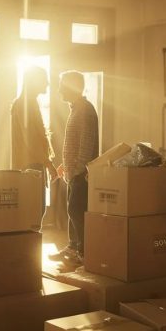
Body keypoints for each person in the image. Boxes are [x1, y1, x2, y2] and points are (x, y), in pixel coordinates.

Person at [48, 70, 99, 266]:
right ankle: (73, 246)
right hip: (74, 171)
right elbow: (75, 143)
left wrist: (77, 169)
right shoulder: (76, 108)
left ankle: (84, 252)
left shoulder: (85, 110)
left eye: (62, 84)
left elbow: (86, 145)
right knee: (72, 210)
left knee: (76, 210)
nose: (59, 88)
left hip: (81, 173)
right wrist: (65, 166)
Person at [11, 66, 57, 224]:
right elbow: (31, 140)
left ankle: (31, 246)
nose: (48, 83)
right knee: (34, 211)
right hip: (30, 166)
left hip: (31, 164)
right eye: (44, 79)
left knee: (35, 210)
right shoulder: (25, 104)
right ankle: (30, 247)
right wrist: (48, 163)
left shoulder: (28, 103)